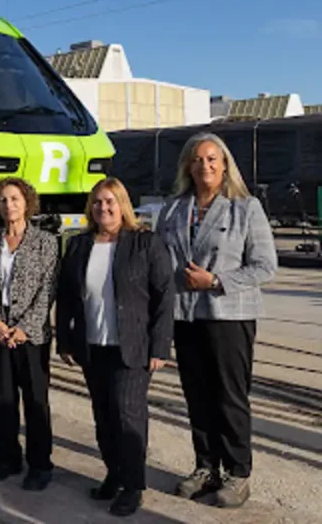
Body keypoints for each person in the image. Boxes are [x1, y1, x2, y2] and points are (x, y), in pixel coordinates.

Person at [156, 133, 277, 508]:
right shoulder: (174, 208)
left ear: (224, 165)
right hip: (186, 316)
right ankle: (205, 466)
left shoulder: (245, 207)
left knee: (230, 397)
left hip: (228, 316)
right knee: (197, 395)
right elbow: (160, 260)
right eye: (197, 160)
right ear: (187, 167)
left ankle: (237, 472)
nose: (204, 166)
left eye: (211, 159)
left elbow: (265, 266)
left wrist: (217, 281)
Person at [57, 178, 175, 517]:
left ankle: (134, 484)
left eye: (110, 202)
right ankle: (114, 472)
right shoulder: (79, 245)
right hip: (94, 346)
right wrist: (66, 338)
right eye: (97, 203)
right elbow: (67, 297)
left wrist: (160, 346)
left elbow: (165, 296)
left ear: (122, 204)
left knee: (128, 416)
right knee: (104, 416)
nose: (103, 208)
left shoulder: (145, 243)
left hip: (132, 347)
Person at [0, 176, 57, 491]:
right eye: (4, 200)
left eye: (15, 199)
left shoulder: (45, 242)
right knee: (3, 400)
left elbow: (48, 290)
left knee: (36, 401)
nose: (10, 205)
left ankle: (40, 464)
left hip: (30, 336)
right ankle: (8, 457)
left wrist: (24, 328)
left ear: (27, 203)